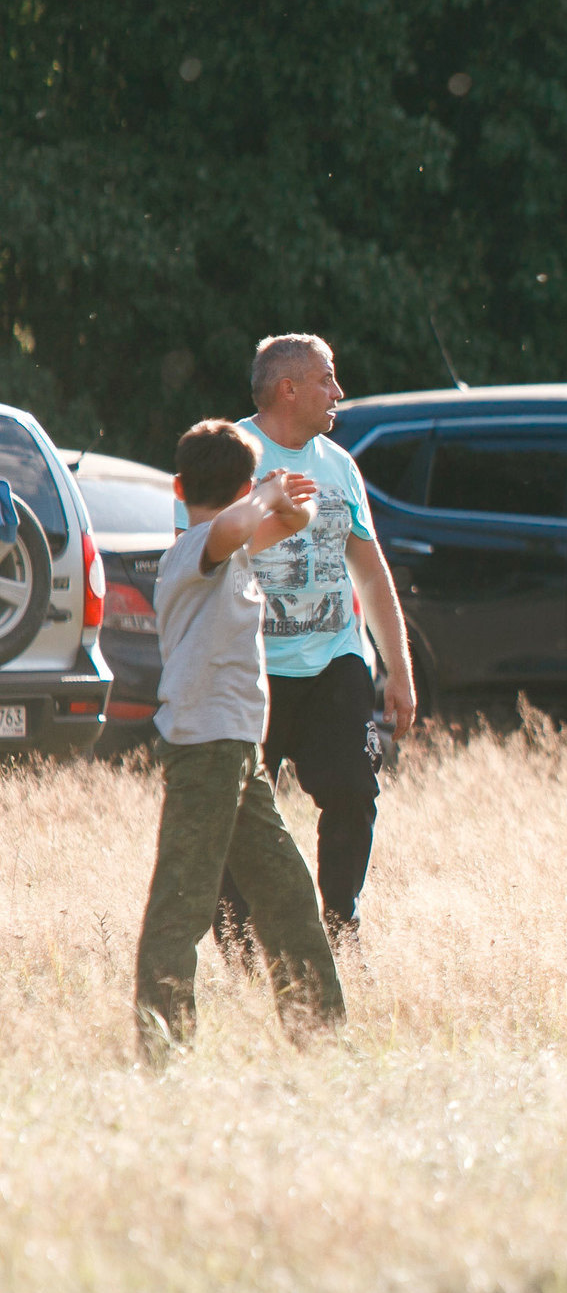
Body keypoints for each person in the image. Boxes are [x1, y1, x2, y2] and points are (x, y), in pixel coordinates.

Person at [133, 421, 344, 1062]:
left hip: (236, 753)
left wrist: (285, 500)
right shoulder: (196, 548)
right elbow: (229, 529)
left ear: (177, 485)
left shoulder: (233, 546)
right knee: (183, 903)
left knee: (285, 893)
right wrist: (266, 495)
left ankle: (323, 1040)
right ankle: (164, 1053)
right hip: (204, 749)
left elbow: (293, 524)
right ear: (244, 487)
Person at [214, 334, 418, 951]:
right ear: (289, 388)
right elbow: (203, 554)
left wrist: (398, 669)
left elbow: (369, 570)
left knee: (355, 793)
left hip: (334, 661)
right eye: (328, 380)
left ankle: (338, 927)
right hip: (252, 669)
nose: (339, 392)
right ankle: (239, 941)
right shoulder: (229, 456)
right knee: (239, 813)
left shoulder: (339, 466)